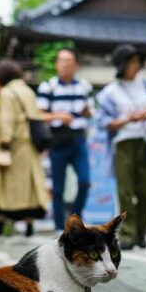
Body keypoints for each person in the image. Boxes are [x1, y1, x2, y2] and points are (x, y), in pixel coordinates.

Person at [96, 44, 146, 250]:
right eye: (132, 61)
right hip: (123, 143)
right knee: (125, 191)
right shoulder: (110, 92)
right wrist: (126, 119)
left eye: (138, 61)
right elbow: (103, 122)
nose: (136, 65)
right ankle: (128, 233)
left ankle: (142, 232)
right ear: (122, 64)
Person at [0, 58, 48, 237]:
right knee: (28, 190)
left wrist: (4, 143)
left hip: (13, 148)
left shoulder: (7, 93)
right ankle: (29, 227)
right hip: (28, 147)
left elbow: (7, 120)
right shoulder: (27, 90)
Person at [36, 47, 93, 232]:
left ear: (75, 65)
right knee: (58, 187)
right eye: (62, 61)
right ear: (56, 64)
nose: (65, 65)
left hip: (78, 139)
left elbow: (91, 111)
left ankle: (75, 220)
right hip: (57, 139)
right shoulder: (48, 86)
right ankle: (59, 226)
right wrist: (59, 117)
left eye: (69, 62)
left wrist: (87, 112)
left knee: (85, 180)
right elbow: (39, 115)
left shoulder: (84, 86)